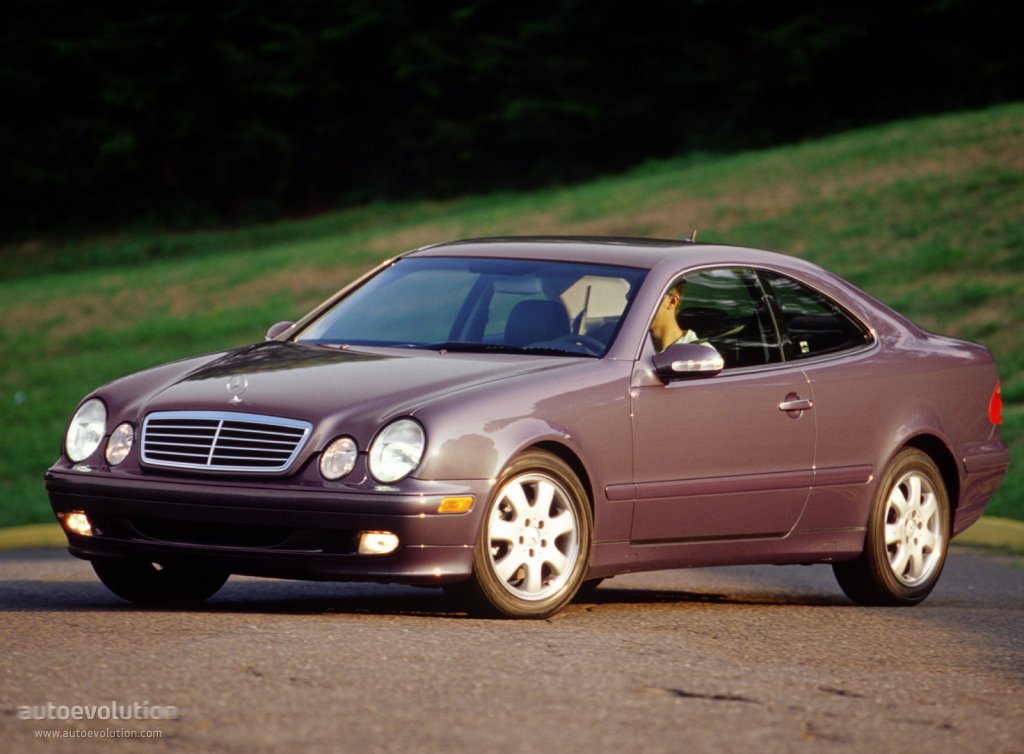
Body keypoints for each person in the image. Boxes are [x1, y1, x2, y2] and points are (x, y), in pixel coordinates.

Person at [650, 280, 698, 351]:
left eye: (648, 299)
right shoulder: (636, 346)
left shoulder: (698, 354)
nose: (636, 306)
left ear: (672, 302)